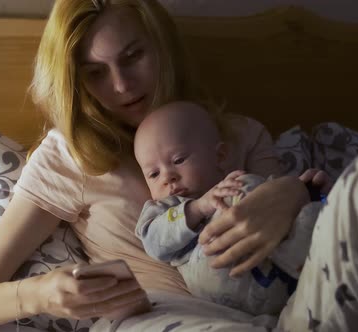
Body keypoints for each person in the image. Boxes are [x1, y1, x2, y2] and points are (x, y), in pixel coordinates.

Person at [0, 1, 358, 331]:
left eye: (134, 56)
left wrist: (294, 192)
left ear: (161, 46)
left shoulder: (236, 134)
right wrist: (39, 294)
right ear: (74, 82)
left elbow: (300, 236)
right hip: (163, 319)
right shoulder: (69, 156)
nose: (121, 86)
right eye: (94, 73)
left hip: (294, 313)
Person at [133, 101, 329, 316]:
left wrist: (306, 189)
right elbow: (154, 243)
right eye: (153, 174)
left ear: (220, 156)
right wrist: (198, 207)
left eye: (179, 160)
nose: (167, 177)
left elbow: (278, 203)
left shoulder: (237, 184)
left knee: (306, 210)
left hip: (287, 285)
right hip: (221, 288)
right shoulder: (164, 208)